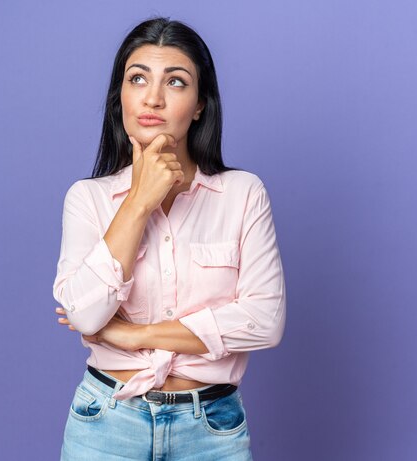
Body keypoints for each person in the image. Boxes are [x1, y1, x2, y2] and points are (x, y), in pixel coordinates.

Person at [52, 16, 286, 460]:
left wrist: (134, 335)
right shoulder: (88, 199)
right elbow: (85, 314)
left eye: (176, 82)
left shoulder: (242, 193)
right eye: (137, 78)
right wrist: (138, 202)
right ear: (119, 96)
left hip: (211, 430)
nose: (153, 98)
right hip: (106, 425)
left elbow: (265, 320)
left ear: (200, 104)